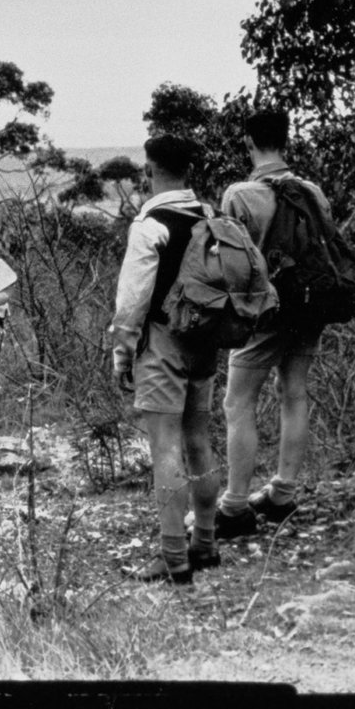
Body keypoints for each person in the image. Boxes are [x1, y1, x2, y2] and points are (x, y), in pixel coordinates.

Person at [216, 107, 337, 537]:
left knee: (238, 402)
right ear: (287, 140)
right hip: (308, 307)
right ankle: (282, 493)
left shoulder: (240, 195)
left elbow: (232, 267)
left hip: (264, 314)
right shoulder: (313, 192)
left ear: (248, 142)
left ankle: (234, 505)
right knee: (295, 393)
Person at [108, 135, 223, 585]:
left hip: (161, 343)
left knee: (165, 449)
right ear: (188, 170)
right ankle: (207, 543)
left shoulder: (149, 225)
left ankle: (174, 557)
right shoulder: (210, 215)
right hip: (205, 341)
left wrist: (122, 354)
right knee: (200, 439)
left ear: (149, 169)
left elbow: (131, 302)